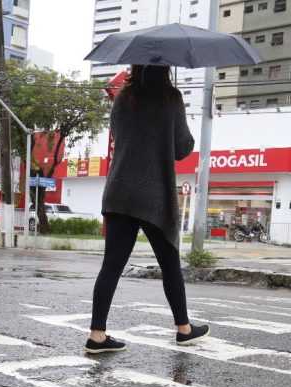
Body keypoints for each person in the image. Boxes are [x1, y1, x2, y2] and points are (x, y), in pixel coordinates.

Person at [85, 64, 210, 355]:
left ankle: (97, 335)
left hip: (119, 191)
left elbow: (119, 135)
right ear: (165, 69)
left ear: (135, 67)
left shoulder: (122, 98)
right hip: (154, 195)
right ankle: (184, 329)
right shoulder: (172, 99)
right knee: (169, 264)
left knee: (112, 264)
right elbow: (182, 149)